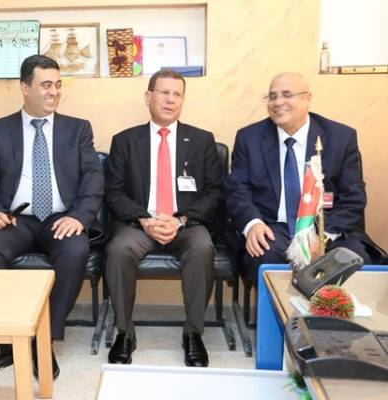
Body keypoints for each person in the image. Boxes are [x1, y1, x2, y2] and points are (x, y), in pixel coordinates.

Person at [0, 54, 104, 383]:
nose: (54, 92)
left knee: (76, 249)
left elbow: (93, 178)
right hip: (15, 219)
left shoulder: (78, 129)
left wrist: (79, 217)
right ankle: (3, 342)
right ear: (25, 88)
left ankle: (43, 339)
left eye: (58, 85)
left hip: (61, 218)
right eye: (45, 85)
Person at [105, 69, 223, 367]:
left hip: (186, 224)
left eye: (177, 94)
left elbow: (215, 192)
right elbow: (114, 192)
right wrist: (145, 220)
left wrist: (181, 220)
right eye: (164, 92)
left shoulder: (201, 140)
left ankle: (193, 333)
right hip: (140, 224)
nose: (170, 100)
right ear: (148, 97)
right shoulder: (125, 141)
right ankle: (125, 333)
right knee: (118, 250)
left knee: (202, 247)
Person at [225, 72, 385, 285]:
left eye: (287, 95)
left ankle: (331, 308)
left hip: (328, 226)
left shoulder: (340, 137)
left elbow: (353, 198)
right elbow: (237, 190)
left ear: (306, 98)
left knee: (354, 259)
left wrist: (322, 237)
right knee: (264, 253)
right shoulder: (249, 138)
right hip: (274, 227)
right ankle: (284, 308)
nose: (278, 102)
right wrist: (252, 224)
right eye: (272, 96)